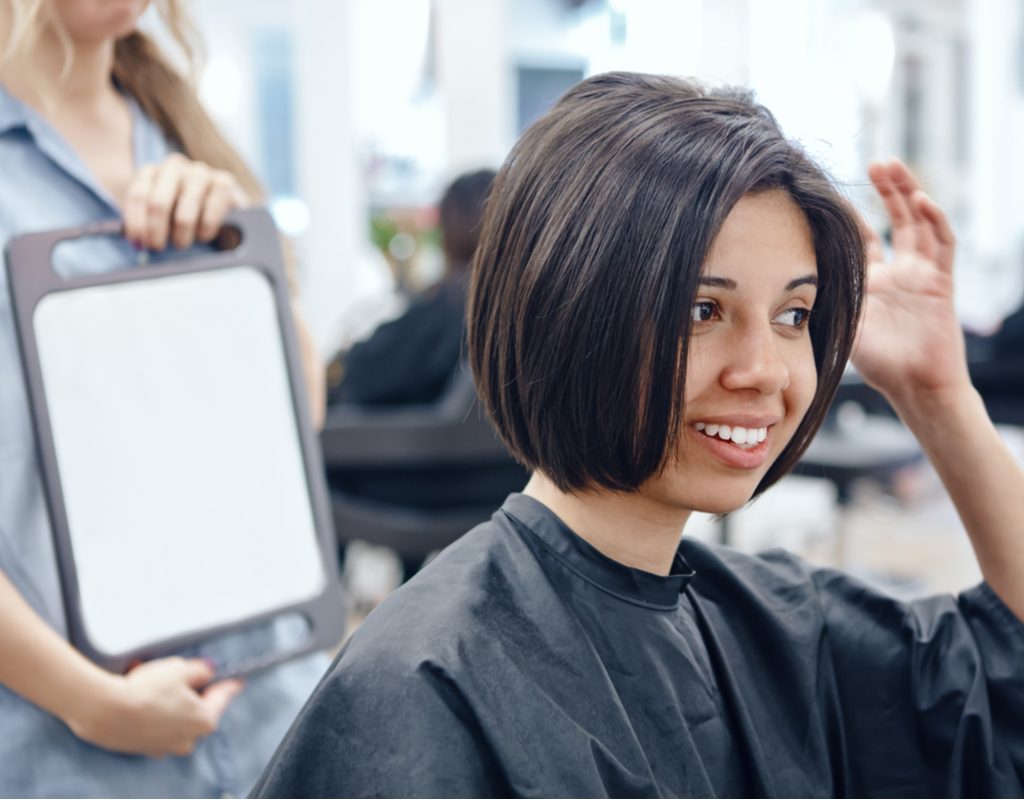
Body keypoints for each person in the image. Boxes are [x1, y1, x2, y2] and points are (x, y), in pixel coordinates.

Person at [254, 73, 1023, 797]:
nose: (763, 369)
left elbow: (1005, 668)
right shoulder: (424, 685)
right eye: (703, 311)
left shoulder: (780, 627)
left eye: (793, 316)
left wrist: (938, 395)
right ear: (570, 314)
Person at [0, 1, 327, 796]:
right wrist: (89, 703)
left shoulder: (179, 126)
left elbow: (302, 419)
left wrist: (233, 253)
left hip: (275, 711)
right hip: (71, 750)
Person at [327, 168, 497, 407]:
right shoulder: (499, 305)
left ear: (448, 230)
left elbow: (363, 371)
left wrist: (344, 358)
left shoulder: (450, 306)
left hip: (388, 435)